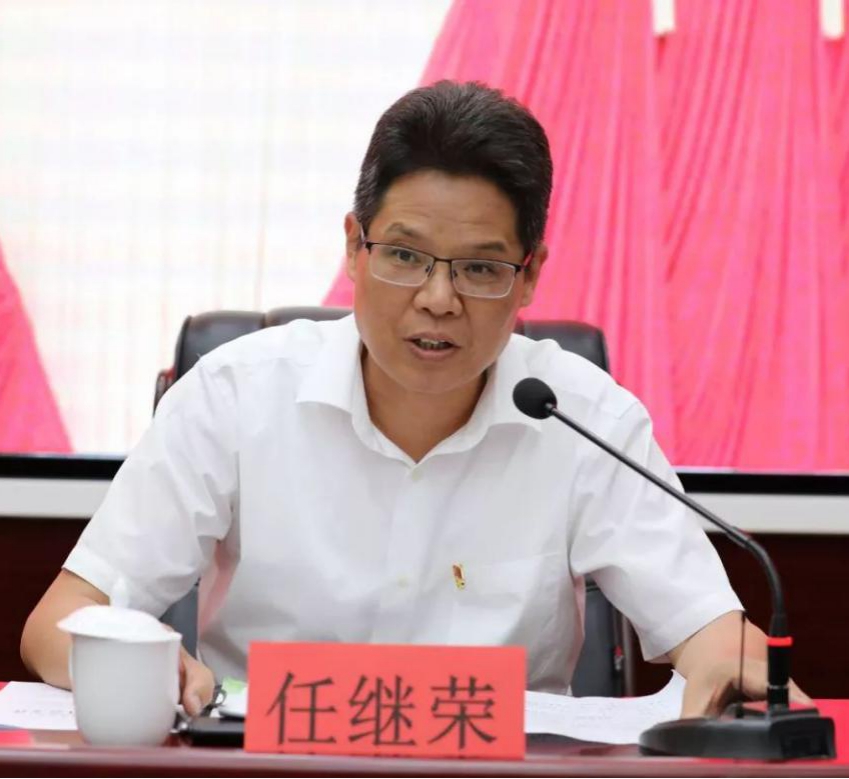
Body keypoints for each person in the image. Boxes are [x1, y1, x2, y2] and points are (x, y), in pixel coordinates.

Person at [21, 80, 809, 718]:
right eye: (404, 255)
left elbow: (711, 632)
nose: (436, 299)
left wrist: (729, 660)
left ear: (529, 275)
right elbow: (58, 622)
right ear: (353, 246)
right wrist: (138, 667)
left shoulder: (584, 418)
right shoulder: (234, 395)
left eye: (479, 268)